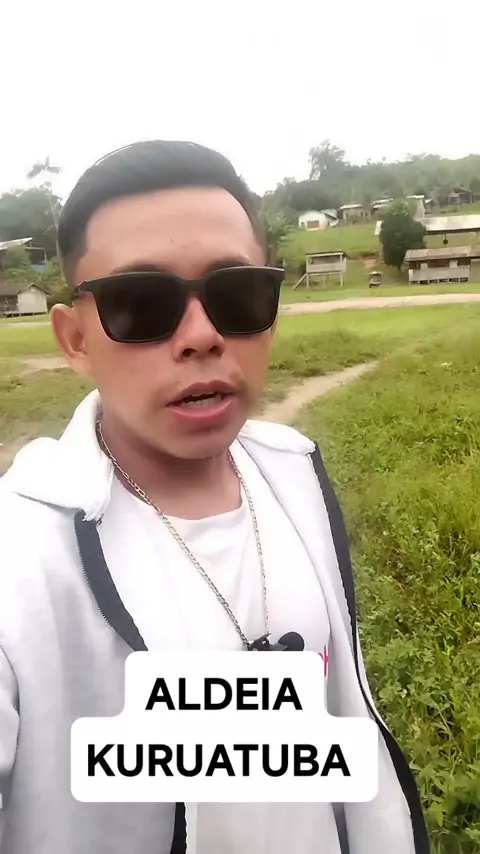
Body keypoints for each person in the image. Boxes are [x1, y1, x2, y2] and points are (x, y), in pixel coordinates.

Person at [0, 141, 429, 854]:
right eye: (141, 305)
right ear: (75, 339)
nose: (201, 336)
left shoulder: (294, 473)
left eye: (237, 296)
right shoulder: (18, 555)